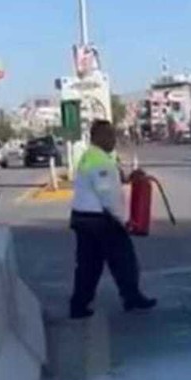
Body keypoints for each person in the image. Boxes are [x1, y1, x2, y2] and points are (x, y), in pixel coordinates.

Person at [68, 120, 156, 319]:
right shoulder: (99, 160)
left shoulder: (93, 156)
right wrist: (124, 220)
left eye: (113, 135)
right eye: (108, 135)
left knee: (88, 266)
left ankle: (79, 306)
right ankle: (131, 298)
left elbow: (108, 182)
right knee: (124, 259)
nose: (113, 140)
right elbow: (107, 195)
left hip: (83, 218)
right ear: (97, 137)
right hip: (100, 221)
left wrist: (127, 179)